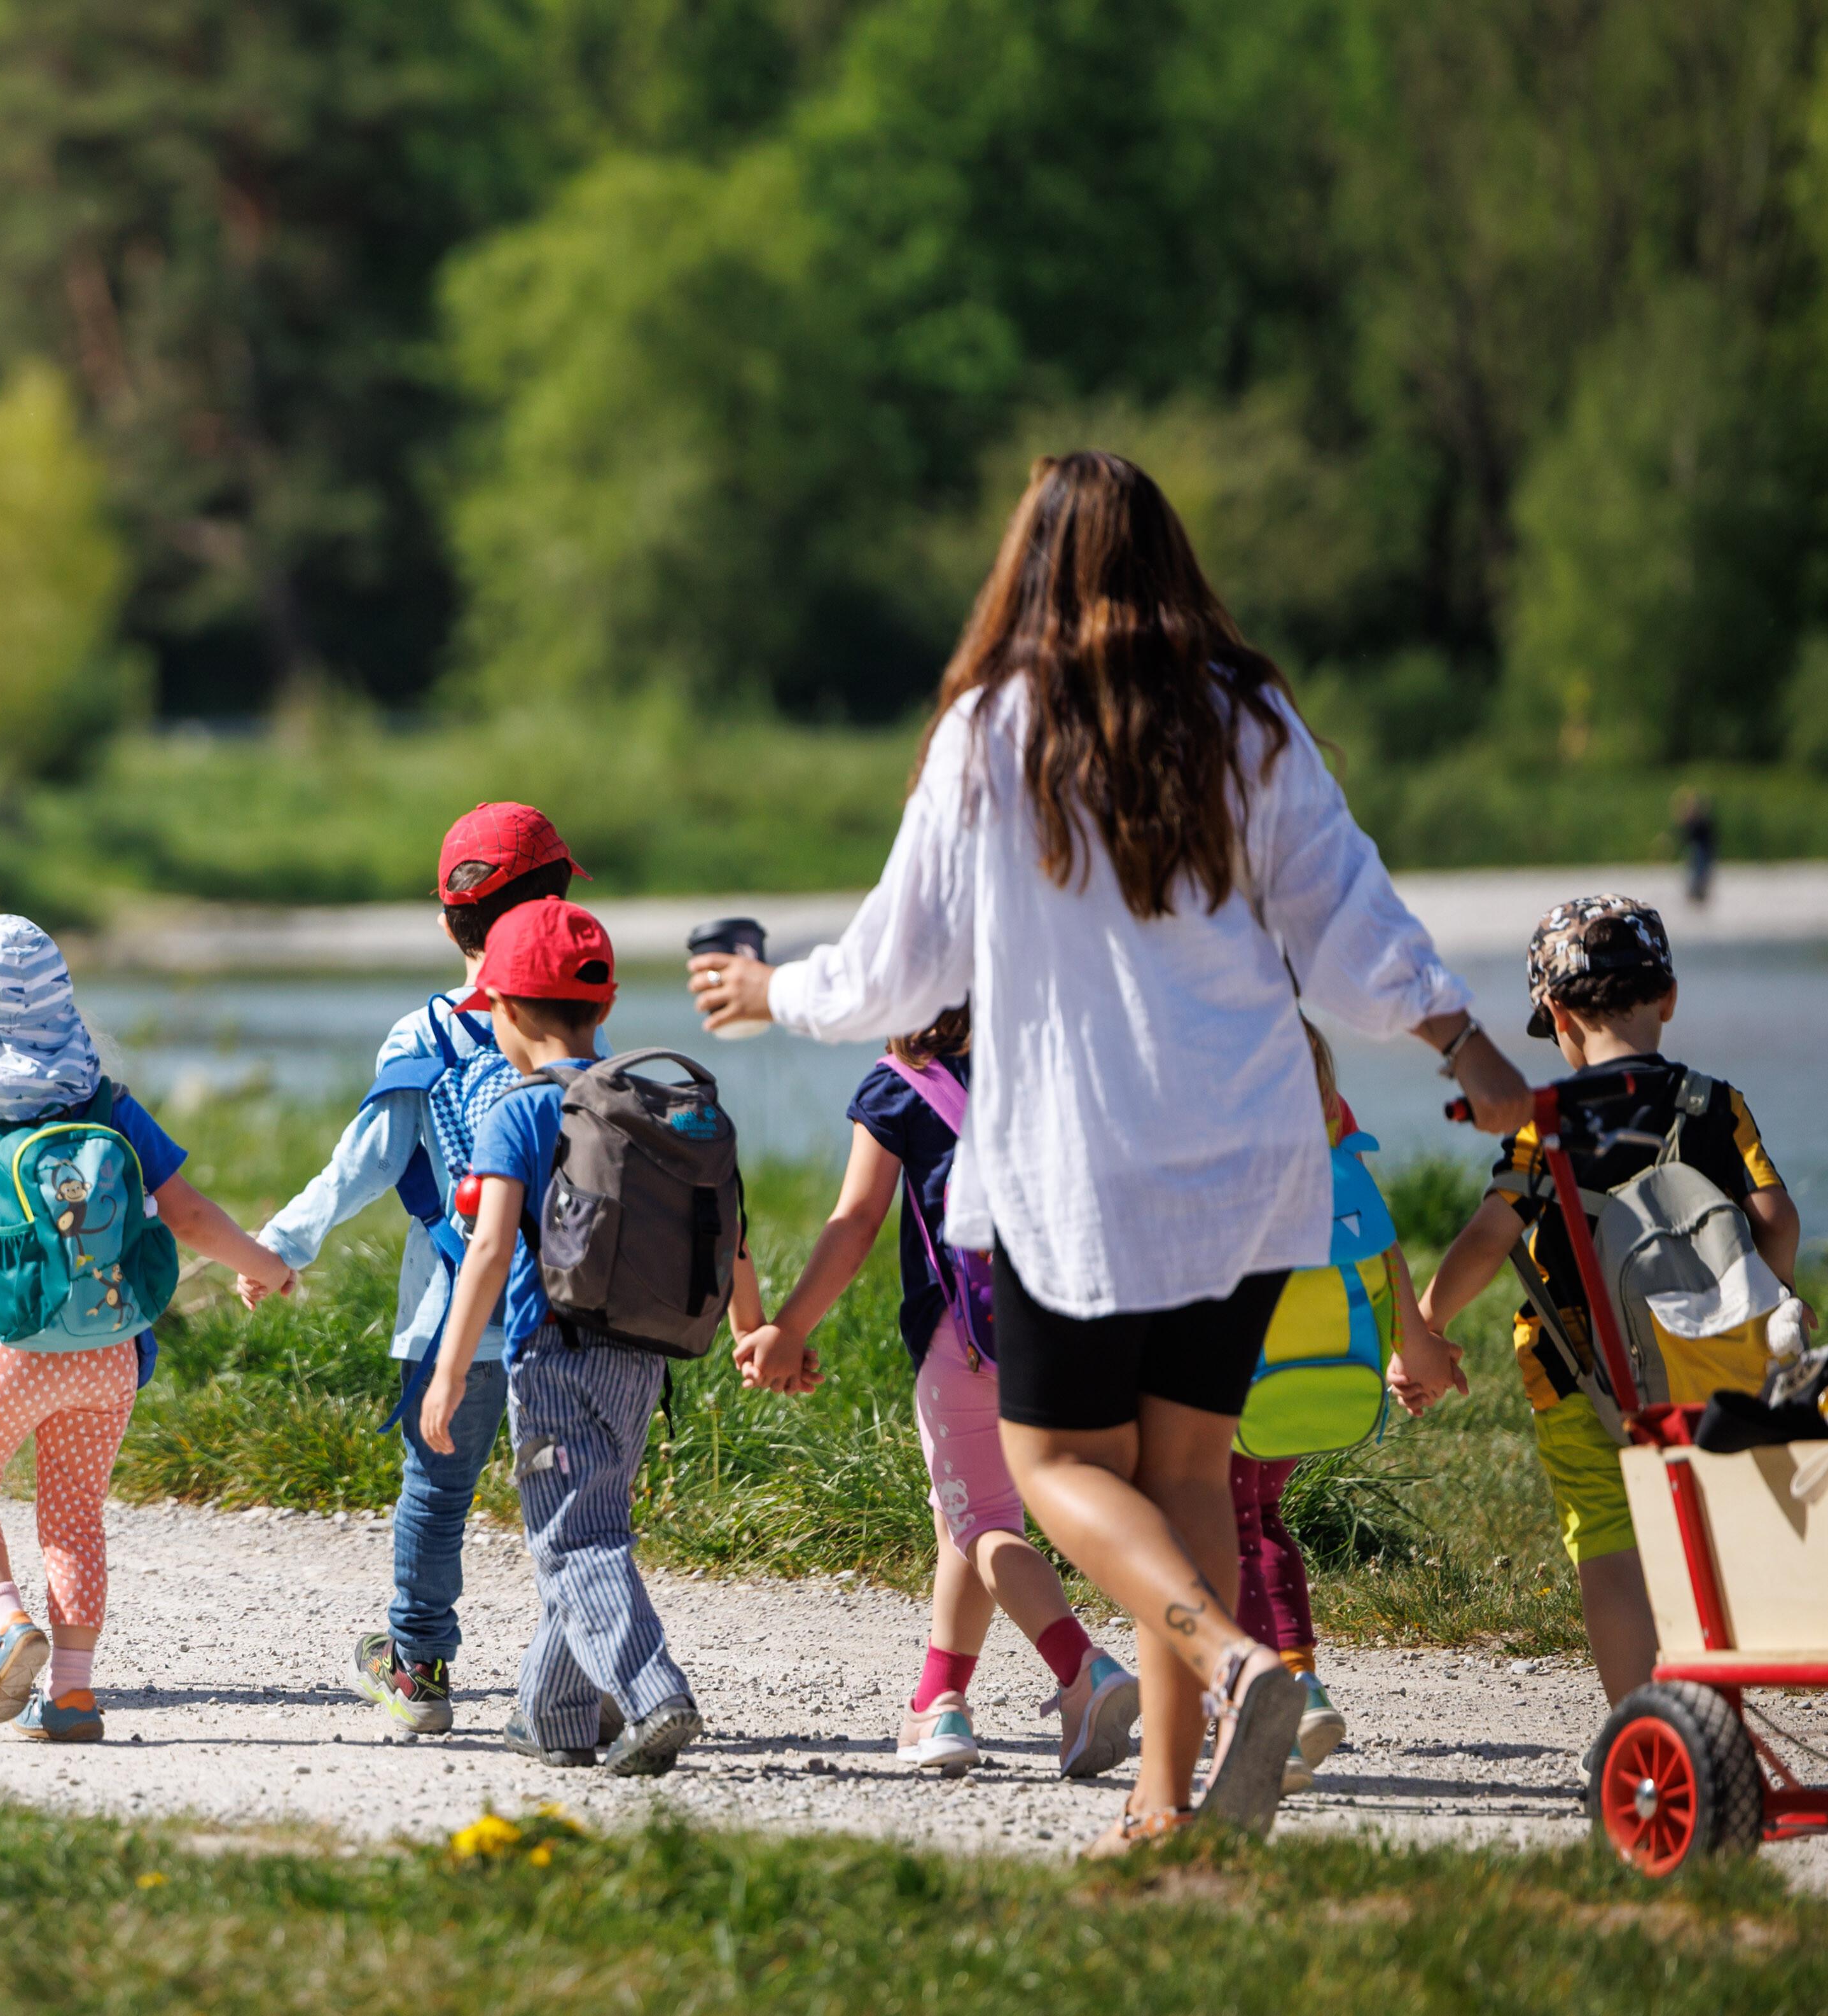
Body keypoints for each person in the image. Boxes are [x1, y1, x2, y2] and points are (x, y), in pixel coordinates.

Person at [688, 451, 1529, 1854]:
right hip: (1252, 1154)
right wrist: (1464, 1045)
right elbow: (1349, 917)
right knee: (1188, 1470)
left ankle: (1232, 1661)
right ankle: (1163, 1805)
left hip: (1080, 1165)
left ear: (1028, 567)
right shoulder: (1244, 713)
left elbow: (900, 969)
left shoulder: (994, 727)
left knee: (1056, 1461)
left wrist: (774, 990)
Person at [0, 915, 298, 1744]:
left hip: (9, 1348)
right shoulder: (109, 1106)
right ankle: (73, 1697)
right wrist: (265, 1264)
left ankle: (7, 1628)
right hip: (111, 1351)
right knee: (74, 1518)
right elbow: (189, 1215)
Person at [1415, 896, 1802, 1707]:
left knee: (1607, 1538)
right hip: (1704, 1368)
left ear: (1557, 1017)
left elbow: (1487, 1239)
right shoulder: (1715, 1104)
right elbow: (1776, 1219)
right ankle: (1713, 1698)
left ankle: (1639, 1719)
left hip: (1574, 1373)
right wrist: (1769, 1302)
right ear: (1667, 998)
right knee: (1703, 1520)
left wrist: (1425, 1326)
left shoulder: (1546, 1123)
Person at [738, 1003, 1140, 1782]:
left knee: (982, 1521)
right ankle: (939, 1704)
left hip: (968, 1341)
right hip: (1072, 1333)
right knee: (965, 1511)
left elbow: (856, 1221)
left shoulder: (900, 1086)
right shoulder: (1051, 1066)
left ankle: (1082, 1669)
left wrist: (788, 1327)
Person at [247, 800, 582, 1735]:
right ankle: (583, 1669)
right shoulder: (576, 1023)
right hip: (571, 1317)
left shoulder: (423, 1037)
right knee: (569, 1501)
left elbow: (362, 1164)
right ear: (559, 907)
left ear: (448, 923)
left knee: (435, 1495)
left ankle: (419, 1669)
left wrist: (280, 1245)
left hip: (450, 1317)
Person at [422, 897, 721, 1777]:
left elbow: (487, 1251)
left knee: (573, 1539)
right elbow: (726, 1232)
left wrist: (448, 1370)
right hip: (642, 1356)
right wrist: (754, 1322)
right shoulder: (647, 1105)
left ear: (505, 1009)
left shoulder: (517, 1111)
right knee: (586, 1519)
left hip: (552, 1357)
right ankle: (553, 1713)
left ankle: (653, 1693)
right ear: (607, 1002)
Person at [1238, 1018, 1454, 1794]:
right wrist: (1414, 1342)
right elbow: (1382, 1244)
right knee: (1262, 1519)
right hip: (1320, 1372)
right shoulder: (1334, 1129)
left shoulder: (1220, 1138)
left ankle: (1277, 1702)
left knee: (1225, 1529)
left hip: (1239, 1382)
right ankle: (1299, 1674)